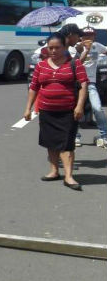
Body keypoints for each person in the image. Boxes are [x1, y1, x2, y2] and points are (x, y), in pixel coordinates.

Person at [24, 31, 88, 191]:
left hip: (68, 111)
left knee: (67, 144)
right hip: (47, 110)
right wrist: (28, 108)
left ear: (64, 47)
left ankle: (69, 176)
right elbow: (34, 87)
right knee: (50, 142)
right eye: (50, 48)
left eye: (57, 48)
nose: (53, 51)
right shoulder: (41, 65)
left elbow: (83, 84)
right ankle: (54, 171)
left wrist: (79, 106)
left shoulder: (74, 64)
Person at [73, 26, 107, 148]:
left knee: (97, 108)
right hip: (76, 83)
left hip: (90, 82)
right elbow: (74, 65)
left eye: (90, 35)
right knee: (75, 109)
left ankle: (104, 136)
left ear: (94, 36)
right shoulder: (76, 47)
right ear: (81, 36)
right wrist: (82, 50)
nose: (88, 37)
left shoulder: (97, 46)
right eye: (85, 35)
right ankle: (75, 136)